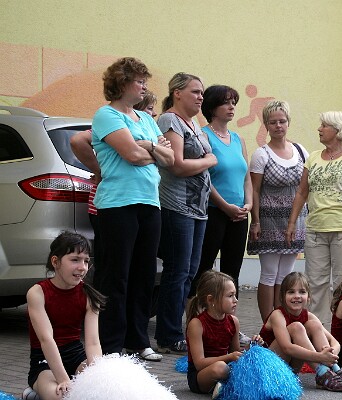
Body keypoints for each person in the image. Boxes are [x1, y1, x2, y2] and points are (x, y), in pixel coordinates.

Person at [91, 57, 174, 362]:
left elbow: (171, 159)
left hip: (149, 203)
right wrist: (152, 148)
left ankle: (138, 341)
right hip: (118, 204)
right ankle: (111, 345)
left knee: (144, 274)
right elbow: (132, 156)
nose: (143, 87)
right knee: (116, 276)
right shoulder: (107, 115)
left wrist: (147, 147)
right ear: (123, 83)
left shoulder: (146, 119)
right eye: (139, 81)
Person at [70, 91, 162, 290]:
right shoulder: (113, 122)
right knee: (113, 270)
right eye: (149, 108)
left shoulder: (146, 125)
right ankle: (103, 309)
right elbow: (78, 140)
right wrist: (99, 170)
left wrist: (151, 149)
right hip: (114, 202)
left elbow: (169, 157)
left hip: (144, 201)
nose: (153, 114)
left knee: (139, 270)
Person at [153, 73, 217, 355]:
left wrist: (205, 162)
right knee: (177, 271)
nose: (201, 97)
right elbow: (176, 166)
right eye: (195, 92)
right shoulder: (170, 120)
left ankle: (175, 329)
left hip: (198, 209)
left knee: (190, 271)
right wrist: (209, 160)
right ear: (177, 93)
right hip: (177, 206)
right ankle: (168, 335)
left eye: (202, 92)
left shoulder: (195, 123)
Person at [285, 111, 342, 324]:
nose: (319, 129)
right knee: (314, 283)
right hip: (315, 231)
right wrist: (292, 223)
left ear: (338, 130)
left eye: (324, 125)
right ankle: (317, 330)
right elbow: (301, 192)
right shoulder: (313, 157)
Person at [24, 232, 106, 400]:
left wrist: (96, 376)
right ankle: (35, 393)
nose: (82, 267)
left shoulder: (89, 295)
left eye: (86, 261)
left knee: (105, 387)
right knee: (62, 396)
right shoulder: (37, 293)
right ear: (55, 262)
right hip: (45, 361)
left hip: (76, 356)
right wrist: (63, 379)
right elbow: (46, 339)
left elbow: (92, 342)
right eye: (75, 260)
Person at [246, 100, 309, 322]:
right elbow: (254, 190)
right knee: (269, 273)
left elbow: (305, 187)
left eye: (282, 121)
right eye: (273, 122)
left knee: (286, 275)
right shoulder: (261, 154)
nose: (278, 126)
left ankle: (283, 320)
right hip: (269, 221)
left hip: (296, 220)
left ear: (288, 122)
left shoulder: (300, 151)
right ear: (266, 125)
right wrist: (255, 221)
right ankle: (268, 323)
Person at [190, 85, 252, 296]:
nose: (231, 107)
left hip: (239, 214)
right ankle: (198, 312)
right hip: (214, 211)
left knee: (232, 271)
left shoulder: (238, 139)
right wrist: (225, 206)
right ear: (212, 107)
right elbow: (204, 179)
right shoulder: (204, 136)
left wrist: (248, 204)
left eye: (233, 102)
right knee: (203, 267)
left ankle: (229, 314)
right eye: (226, 103)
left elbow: (246, 177)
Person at [259, 272, 342, 392]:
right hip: (268, 369)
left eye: (302, 292)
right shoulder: (277, 315)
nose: (297, 296)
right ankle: (322, 372)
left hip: (291, 368)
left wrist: (330, 356)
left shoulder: (309, 316)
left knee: (313, 325)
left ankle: (335, 370)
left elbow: (334, 342)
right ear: (282, 296)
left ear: (309, 297)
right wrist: (320, 357)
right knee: (296, 327)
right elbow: (287, 348)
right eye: (291, 292)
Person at [185, 270, 242, 397]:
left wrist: (252, 345)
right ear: (211, 299)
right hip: (201, 376)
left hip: (225, 367)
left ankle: (222, 386)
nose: (236, 300)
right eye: (230, 296)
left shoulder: (233, 321)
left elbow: (235, 352)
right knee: (220, 368)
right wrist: (229, 357)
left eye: (235, 295)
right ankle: (224, 387)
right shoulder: (197, 324)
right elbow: (199, 364)